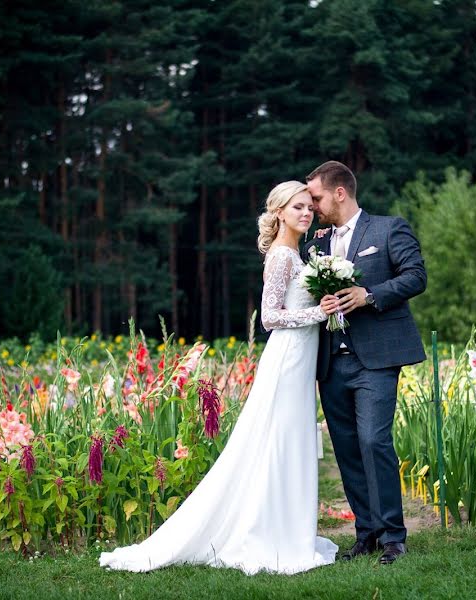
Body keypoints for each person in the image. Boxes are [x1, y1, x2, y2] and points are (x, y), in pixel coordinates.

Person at [99, 181, 340, 574]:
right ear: (278, 212)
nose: (306, 212)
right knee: (275, 441)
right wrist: (319, 313)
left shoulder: (297, 253)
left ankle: (290, 529)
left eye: (309, 207)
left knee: (290, 441)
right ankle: (267, 533)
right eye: (297, 207)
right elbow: (269, 318)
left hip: (300, 363)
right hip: (286, 360)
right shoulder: (281, 257)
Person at [304, 160, 427, 565]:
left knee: (374, 440)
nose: (313, 205)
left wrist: (368, 295)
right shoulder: (316, 241)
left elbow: (415, 276)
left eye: (317, 197)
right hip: (331, 361)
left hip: (376, 359)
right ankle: (367, 533)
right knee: (348, 448)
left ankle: (394, 537)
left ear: (340, 192)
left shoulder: (389, 228)